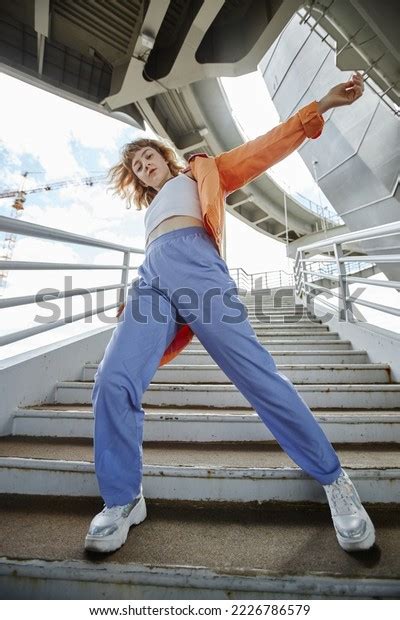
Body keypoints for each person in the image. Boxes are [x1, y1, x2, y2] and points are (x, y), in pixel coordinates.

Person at [85, 72, 376, 554]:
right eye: (136, 167)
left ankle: (334, 478)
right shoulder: (150, 212)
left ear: (164, 156)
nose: (143, 167)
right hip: (151, 283)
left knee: (258, 376)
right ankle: (123, 499)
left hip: (199, 269)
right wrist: (135, 292)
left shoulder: (205, 173)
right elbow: (153, 253)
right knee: (112, 379)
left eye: (147, 157)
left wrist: (321, 105)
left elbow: (264, 147)